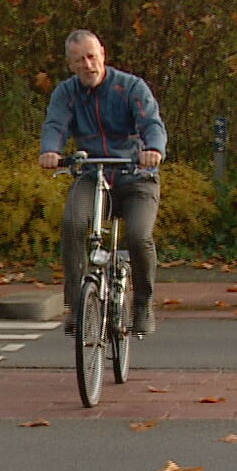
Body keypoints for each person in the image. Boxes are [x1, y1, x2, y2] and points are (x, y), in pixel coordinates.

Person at [38, 29, 165, 335]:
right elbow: (55, 124)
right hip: (92, 174)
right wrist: (50, 151)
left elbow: (151, 123)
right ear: (71, 64)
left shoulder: (130, 87)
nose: (88, 64)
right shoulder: (66, 93)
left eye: (92, 56)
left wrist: (153, 150)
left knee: (138, 237)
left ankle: (143, 304)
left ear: (103, 54)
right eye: (80, 60)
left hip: (135, 176)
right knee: (72, 225)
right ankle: (76, 306)